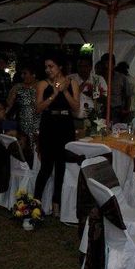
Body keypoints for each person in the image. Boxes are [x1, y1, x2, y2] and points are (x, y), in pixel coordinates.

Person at [34, 51, 80, 217]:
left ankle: (57, 205)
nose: (48, 69)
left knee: (61, 166)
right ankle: (36, 203)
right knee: (46, 166)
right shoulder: (42, 84)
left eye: (51, 66)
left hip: (65, 124)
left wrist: (65, 91)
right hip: (48, 124)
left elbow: (76, 108)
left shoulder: (72, 82)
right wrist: (54, 93)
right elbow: (38, 108)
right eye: (46, 67)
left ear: (59, 67)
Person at [6, 61, 40, 140]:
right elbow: (9, 105)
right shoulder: (18, 87)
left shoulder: (41, 85)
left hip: (38, 123)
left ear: (33, 74)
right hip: (22, 123)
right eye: (22, 74)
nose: (22, 76)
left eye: (25, 73)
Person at [100, 53, 132, 124]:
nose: (106, 66)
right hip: (103, 109)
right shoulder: (99, 77)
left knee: (117, 131)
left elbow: (128, 95)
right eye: (104, 64)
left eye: (108, 64)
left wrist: (127, 110)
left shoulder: (121, 77)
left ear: (113, 65)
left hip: (117, 109)